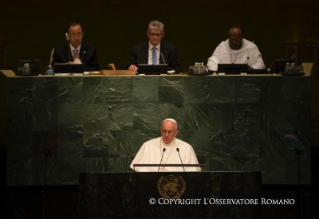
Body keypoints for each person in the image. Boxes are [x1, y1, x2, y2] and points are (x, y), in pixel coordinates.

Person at [130, 118, 201, 172]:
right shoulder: (148, 145)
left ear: (176, 133)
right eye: (164, 131)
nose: (166, 135)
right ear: (161, 130)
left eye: (170, 132)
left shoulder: (186, 148)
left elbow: (192, 173)